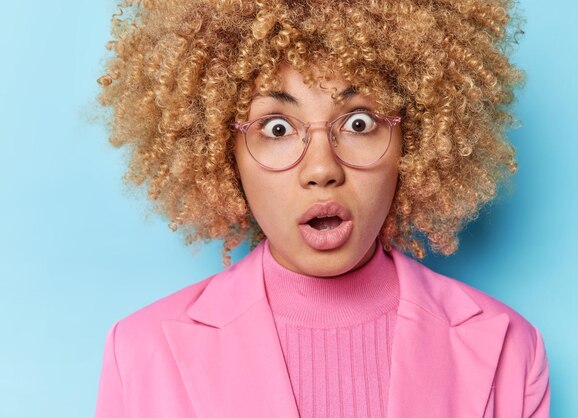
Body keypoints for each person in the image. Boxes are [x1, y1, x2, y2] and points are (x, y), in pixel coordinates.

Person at [94, 0, 550, 417]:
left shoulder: (511, 349)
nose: (321, 168)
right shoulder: (140, 353)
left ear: (416, 141)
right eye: (276, 128)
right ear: (219, 149)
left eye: (358, 122)